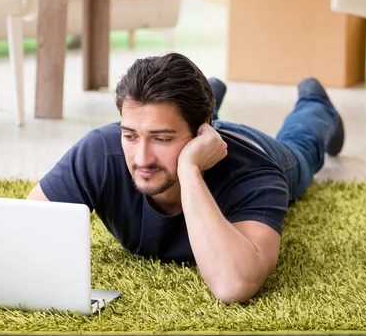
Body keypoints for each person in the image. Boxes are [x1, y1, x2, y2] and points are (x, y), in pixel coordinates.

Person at [27, 52, 344, 304]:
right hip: (197, 120)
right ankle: (209, 92)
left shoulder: (255, 173)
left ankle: (316, 105)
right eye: (130, 135)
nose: (142, 159)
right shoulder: (101, 151)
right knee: (169, 118)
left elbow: (233, 285)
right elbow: (26, 228)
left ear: (202, 131)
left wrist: (190, 170)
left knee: (302, 149)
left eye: (162, 139)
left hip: (252, 146)